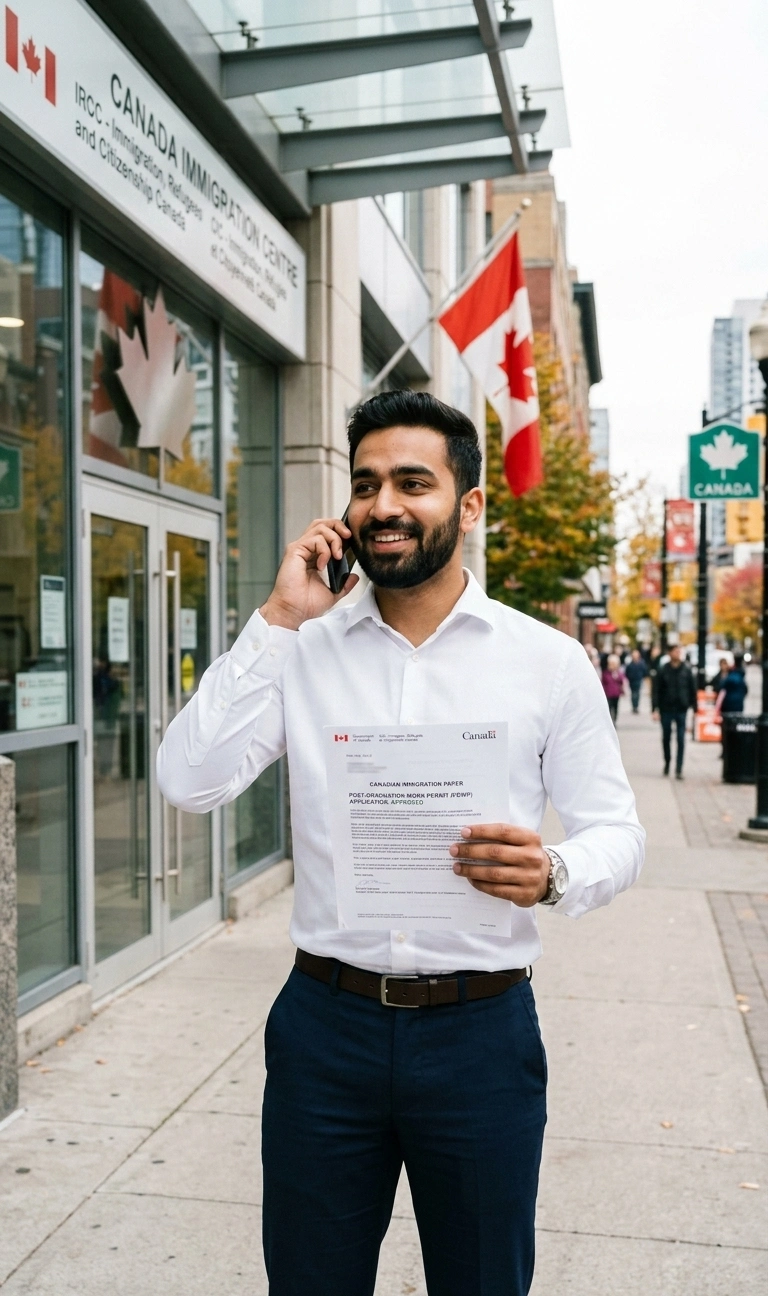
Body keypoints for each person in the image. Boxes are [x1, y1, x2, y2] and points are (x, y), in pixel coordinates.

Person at [157, 390, 645, 1296]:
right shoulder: (300, 648)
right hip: (326, 1030)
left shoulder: (546, 662)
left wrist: (554, 872)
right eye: (367, 483)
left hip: (482, 1035)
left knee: (483, 1282)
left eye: (413, 482)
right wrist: (276, 618)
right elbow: (187, 782)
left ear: (468, 505)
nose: (384, 505)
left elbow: (618, 831)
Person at [651, 643, 697, 779]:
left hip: (681, 708)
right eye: (676, 651)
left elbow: (692, 689)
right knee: (666, 737)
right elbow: (656, 691)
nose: (678, 654)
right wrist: (655, 709)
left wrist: (695, 708)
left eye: (679, 651)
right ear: (670, 653)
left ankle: (678, 768)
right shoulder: (663, 670)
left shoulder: (687, 669)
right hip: (666, 708)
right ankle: (667, 762)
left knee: (681, 738)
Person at [601, 652, 626, 725]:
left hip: (616, 693)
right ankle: (610, 721)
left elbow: (622, 681)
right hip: (608, 693)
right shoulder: (605, 673)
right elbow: (603, 683)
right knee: (609, 708)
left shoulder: (618, 673)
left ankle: (614, 720)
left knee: (615, 708)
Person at [624, 648, 648, 715]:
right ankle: (634, 706)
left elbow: (645, 671)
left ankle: (636, 706)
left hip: (638, 680)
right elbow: (627, 672)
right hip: (632, 681)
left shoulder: (641, 663)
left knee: (637, 694)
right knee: (633, 694)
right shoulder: (630, 664)